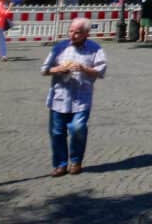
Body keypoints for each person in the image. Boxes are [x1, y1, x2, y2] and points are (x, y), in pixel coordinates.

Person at [41, 18, 107, 176]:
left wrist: (85, 68)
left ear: (86, 34)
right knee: (57, 132)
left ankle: (76, 161)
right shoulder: (60, 47)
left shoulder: (95, 49)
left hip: (81, 98)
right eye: (71, 31)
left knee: (78, 129)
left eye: (77, 32)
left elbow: (101, 71)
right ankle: (60, 164)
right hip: (59, 96)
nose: (73, 35)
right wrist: (57, 69)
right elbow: (44, 69)